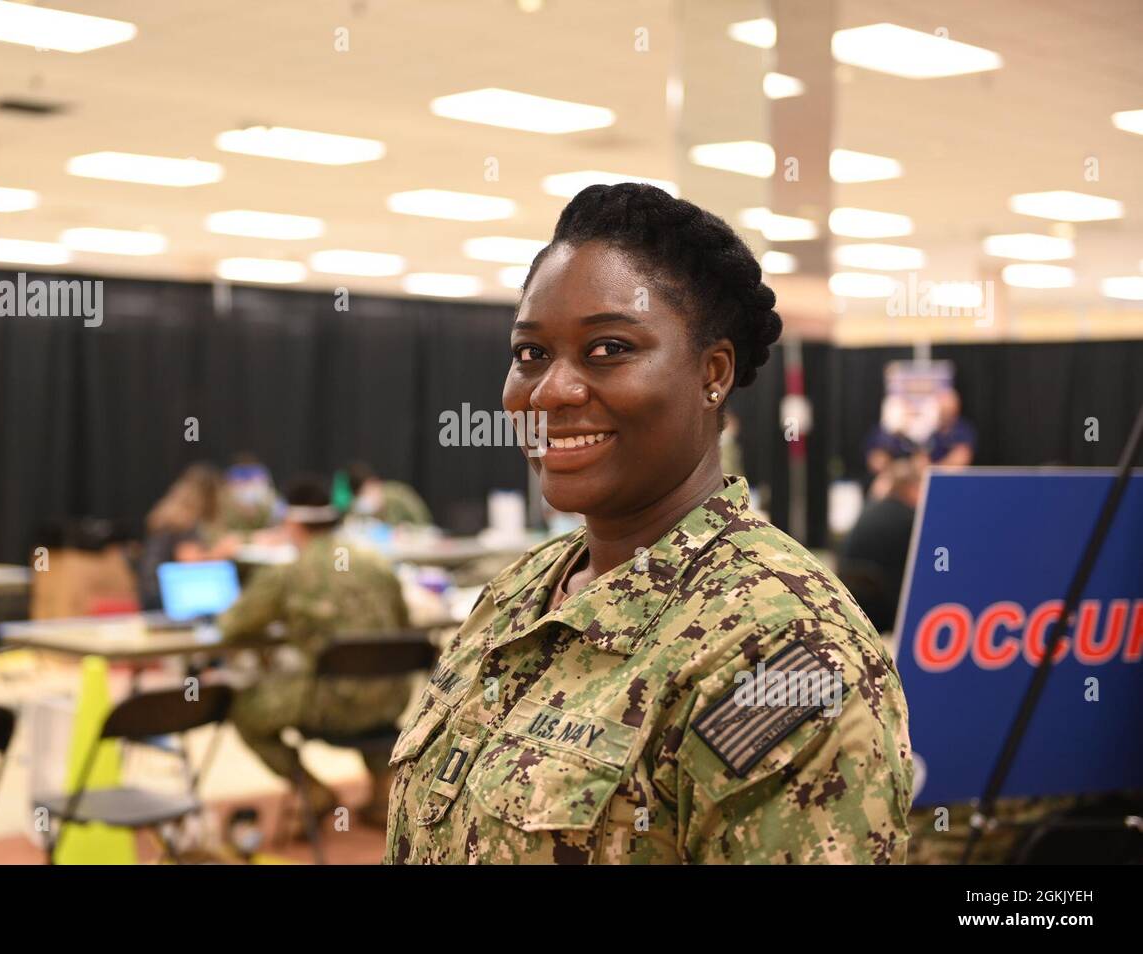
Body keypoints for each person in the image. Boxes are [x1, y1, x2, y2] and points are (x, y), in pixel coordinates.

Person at [385, 183, 913, 864]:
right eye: (530, 354)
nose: (550, 392)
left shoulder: (783, 650)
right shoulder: (520, 593)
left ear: (712, 374)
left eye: (608, 349)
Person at [219, 474, 413, 831]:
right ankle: (383, 795)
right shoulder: (378, 563)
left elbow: (231, 627)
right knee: (364, 674)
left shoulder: (289, 572)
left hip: (334, 705)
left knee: (244, 711)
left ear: (291, 523)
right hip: (391, 701)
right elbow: (403, 627)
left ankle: (314, 790)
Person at [837, 459, 922, 634]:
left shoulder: (868, 511)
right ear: (911, 488)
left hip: (852, 602)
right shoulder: (910, 520)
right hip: (886, 608)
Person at [139, 463, 234, 609]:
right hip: (163, 596)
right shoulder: (182, 522)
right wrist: (219, 553)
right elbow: (190, 561)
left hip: (152, 592)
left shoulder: (170, 516)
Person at [346, 462, 433, 527]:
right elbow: (352, 520)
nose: (366, 496)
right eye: (361, 493)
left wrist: (409, 529)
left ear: (374, 482)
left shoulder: (398, 495)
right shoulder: (363, 505)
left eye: (366, 490)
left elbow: (423, 519)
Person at [925, 388, 976, 466]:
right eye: (943, 409)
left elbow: (961, 458)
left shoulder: (963, 429)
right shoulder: (930, 428)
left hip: (954, 477)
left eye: (948, 409)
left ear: (956, 408)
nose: (946, 413)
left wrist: (935, 470)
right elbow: (921, 457)